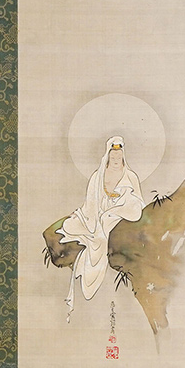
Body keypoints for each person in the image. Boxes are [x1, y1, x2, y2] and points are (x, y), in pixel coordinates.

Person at [56, 135, 143, 321]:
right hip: (99, 215)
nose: (116, 159)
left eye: (119, 156)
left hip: (120, 214)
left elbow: (138, 203)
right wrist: (91, 216)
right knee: (72, 224)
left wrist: (123, 201)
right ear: (108, 156)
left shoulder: (131, 176)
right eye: (113, 156)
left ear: (123, 156)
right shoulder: (97, 177)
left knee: (108, 219)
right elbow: (90, 203)